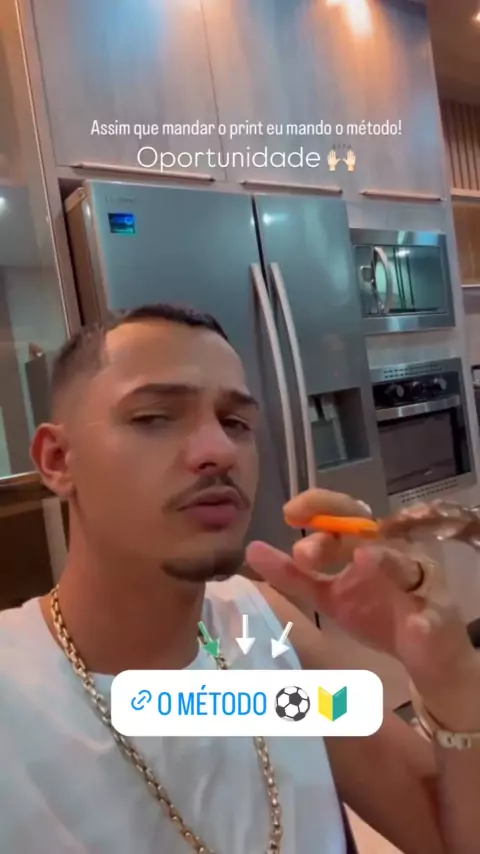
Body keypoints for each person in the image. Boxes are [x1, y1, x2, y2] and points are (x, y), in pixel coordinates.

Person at [0, 302, 478, 854]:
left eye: (236, 423)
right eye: (153, 417)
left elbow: (452, 838)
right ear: (59, 460)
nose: (220, 451)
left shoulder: (263, 634)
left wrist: (450, 676)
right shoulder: (16, 690)